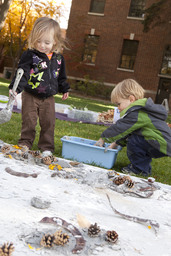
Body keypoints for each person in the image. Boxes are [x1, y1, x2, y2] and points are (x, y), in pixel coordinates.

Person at [9, 17, 70, 156]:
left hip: (49, 98)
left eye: (47, 42)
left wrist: (64, 88)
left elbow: (61, 76)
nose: (42, 45)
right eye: (38, 41)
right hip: (30, 95)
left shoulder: (59, 59)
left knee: (48, 123)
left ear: (55, 41)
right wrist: (15, 88)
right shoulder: (30, 55)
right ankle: (25, 143)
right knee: (29, 121)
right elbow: (22, 73)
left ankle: (46, 148)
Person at [95, 79, 171, 176]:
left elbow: (120, 128)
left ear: (131, 99)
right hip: (159, 142)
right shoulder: (140, 111)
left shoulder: (136, 113)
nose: (118, 107)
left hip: (160, 142)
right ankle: (143, 167)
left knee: (134, 141)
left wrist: (103, 138)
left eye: (119, 104)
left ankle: (139, 170)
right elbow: (129, 131)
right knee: (136, 139)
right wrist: (116, 143)